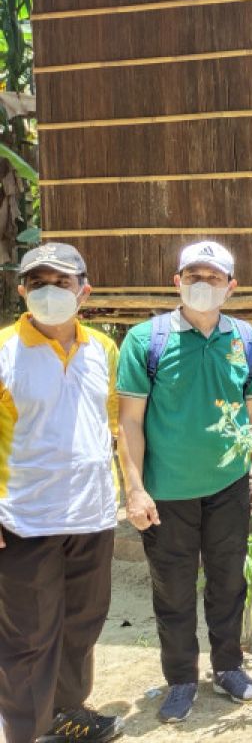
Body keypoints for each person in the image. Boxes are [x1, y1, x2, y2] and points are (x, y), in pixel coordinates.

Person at [116, 241, 252, 723]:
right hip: (167, 493)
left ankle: (228, 668)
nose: (203, 284)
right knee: (174, 590)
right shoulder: (146, 340)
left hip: (227, 486)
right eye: (194, 275)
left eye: (214, 277)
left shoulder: (244, 338)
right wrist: (135, 490)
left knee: (227, 582)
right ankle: (181, 678)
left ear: (231, 286)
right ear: (176, 281)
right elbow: (130, 424)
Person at [0, 244, 124, 743]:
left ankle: (68, 715)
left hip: (91, 516)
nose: (51, 291)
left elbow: (113, 426)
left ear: (84, 291)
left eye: (62, 281)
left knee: (82, 626)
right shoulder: (5, 349)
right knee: (28, 637)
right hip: (25, 518)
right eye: (40, 282)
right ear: (22, 290)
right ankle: (27, 733)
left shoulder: (104, 350)